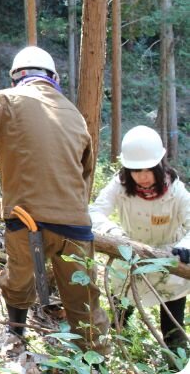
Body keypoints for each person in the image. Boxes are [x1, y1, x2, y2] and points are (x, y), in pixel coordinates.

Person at [0, 46, 110, 354]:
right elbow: (85, 171)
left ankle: (17, 340)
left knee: (18, 283)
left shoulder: (7, 101)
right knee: (85, 304)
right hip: (76, 225)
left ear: (17, 78)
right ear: (53, 78)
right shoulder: (75, 115)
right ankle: (96, 362)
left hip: (27, 218)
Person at [90, 125, 189, 350]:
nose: (142, 177)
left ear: (159, 166)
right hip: (130, 254)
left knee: (173, 330)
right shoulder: (120, 185)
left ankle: (176, 361)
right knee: (119, 318)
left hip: (169, 262)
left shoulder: (177, 191)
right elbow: (96, 211)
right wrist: (114, 234)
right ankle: (110, 355)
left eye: (148, 170)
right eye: (136, 171)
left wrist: (185, 246)